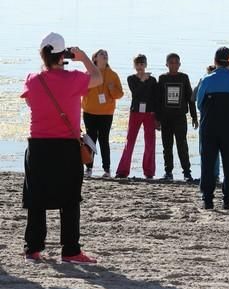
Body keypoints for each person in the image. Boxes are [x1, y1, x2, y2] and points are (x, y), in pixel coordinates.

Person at [22, 32, 102, 263]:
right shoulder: (74, 79)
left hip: (37, 145)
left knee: (36, 199)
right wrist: (84, 56)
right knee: (69, 199)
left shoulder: (32, 79)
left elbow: (29, 101)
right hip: (65, 145)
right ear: (63, 55)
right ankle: (70, 250)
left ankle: (33, 249)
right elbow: (96, 78)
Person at [196, 47, 229, 209]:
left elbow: (199, 103)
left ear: (215, 61)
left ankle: (208, 198)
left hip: (209, 126)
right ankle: (228, 198)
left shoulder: (207, 79)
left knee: (208, 162)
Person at [116, 54, 159, 179]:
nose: (140, 66)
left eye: (142, 64)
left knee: (150, 142)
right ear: (134, 66)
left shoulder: (152, 80)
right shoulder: (131, 79)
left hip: (149, 113)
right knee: (130, 141)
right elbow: (136, 93)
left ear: (146, 65)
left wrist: (156, 116)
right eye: (138, 64)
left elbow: (155, 97)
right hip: (135, 112)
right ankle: (123, 171)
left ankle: (149, 172)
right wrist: (142, 80)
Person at [81, 49, 123, 178]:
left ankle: (107, 169)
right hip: (89, 112)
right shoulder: (88, 73)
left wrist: (112, 89)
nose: (104, 55)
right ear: (95, 58)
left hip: (106, 113)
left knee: (104, 140)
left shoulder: (113, 75)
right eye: (101, 54)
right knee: (90, 140)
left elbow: (119, 94)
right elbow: (80, 90)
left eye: (106, 54)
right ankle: (89, 168)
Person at [156, 53, 198, 182]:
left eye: (176, 62)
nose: (174, 65)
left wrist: (194, 116)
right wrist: (157, 119)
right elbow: (157, 100)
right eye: (171, 62)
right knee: (167, 146)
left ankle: (187, 172)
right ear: (167, 64)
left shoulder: (184, 78)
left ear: (179, 64)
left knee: (182, 145)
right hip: (166, 118)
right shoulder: (162, 78)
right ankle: (168, 172)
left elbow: (190, 99)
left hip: (180, 118)